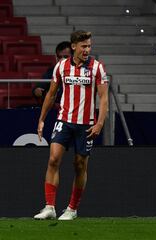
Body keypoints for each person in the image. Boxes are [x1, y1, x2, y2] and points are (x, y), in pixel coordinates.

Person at [34, 30, 109, 220]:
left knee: (80, 165)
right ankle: (49, 207)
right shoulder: (61, 67)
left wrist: (100, 123)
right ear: (73, 47)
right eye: (84, 46)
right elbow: (51, 94)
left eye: (89, 46)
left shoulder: (97, 68)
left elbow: (104, 98)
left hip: (86, 125)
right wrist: (42, 119)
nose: (87, 49)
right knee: (53, 159)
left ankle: (72, 209)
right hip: (64, 121)